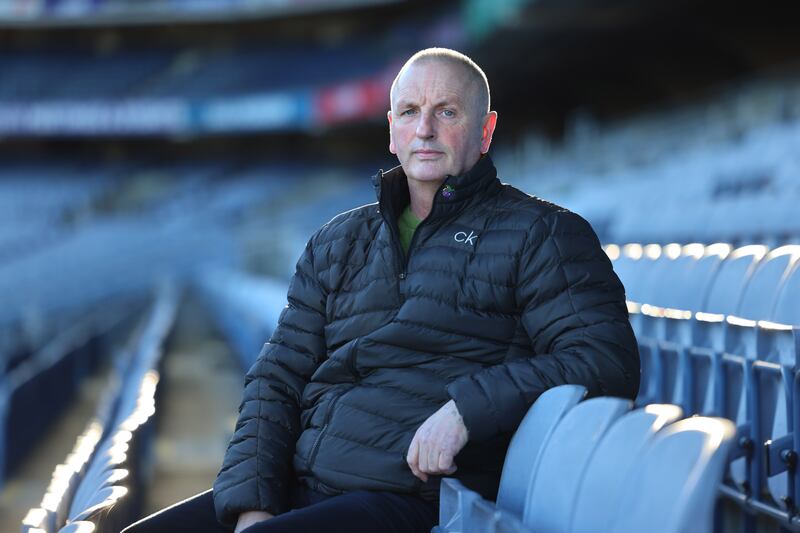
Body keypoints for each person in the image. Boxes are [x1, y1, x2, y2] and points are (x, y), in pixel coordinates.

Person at [122, 47, 639, 533]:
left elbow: (605, 360)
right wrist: (252, 504)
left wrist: (467, 409)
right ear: (391, 131)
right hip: (302, 484)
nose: (426, 130)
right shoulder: (337, 240)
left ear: (485, 130)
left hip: (414, 501)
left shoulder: (543, 233)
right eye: (410, 112)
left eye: (448, 112)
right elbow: (277, 377)